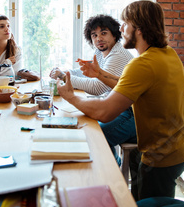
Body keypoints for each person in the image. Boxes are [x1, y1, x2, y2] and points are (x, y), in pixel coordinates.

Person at [57, 1, 184, 201]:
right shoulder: (166, 53)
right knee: (139, 203)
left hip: (163, 154)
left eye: (125, 23)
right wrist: (100, 74)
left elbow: (105, 112)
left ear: (138, 28)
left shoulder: (142, 63)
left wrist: (70, 96)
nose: (121, 29)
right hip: (182, 144)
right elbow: (130, 86)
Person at [50, 15, 135, 164]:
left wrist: (64, 77)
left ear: (115, 34)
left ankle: (113, 170)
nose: (98, 39)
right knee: (86, 126)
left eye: (103, 33)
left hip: (131, 112)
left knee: (97, 135)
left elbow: (98, 87)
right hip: (118, 105)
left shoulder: (117, 55)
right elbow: (85, 71)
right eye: (94, 35)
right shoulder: (101, 52)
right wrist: (65, 72)